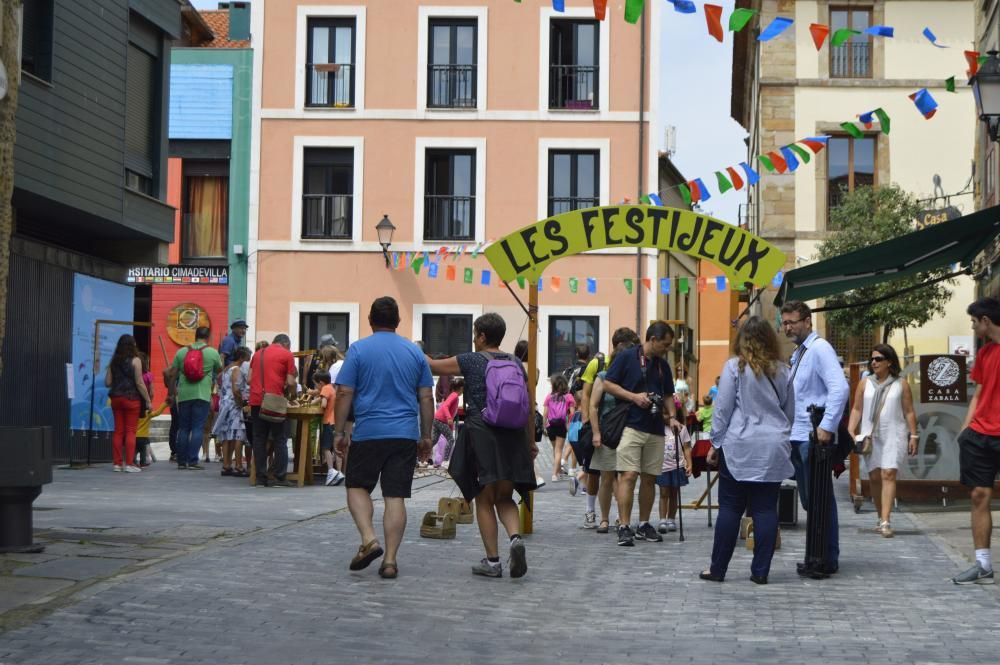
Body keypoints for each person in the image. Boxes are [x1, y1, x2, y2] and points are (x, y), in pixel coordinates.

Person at [428, 313, 539, 578]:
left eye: (475, 333)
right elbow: (527, 405)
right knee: (505, 496)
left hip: (482, 433)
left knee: (484, 498)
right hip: (512, 435)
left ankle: (492, 562)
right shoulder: (514, 362)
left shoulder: (470, 360)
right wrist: (530, 441)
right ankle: (514, 538)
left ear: (481, 336)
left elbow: (433, 366)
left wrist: (410, 349)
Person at [333, 297, 434, 579]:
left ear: (370, 320)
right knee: (395, 495)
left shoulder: (358, 350)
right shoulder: (414, 353)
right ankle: (389, 560)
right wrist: (426, 435)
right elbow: (426, 396)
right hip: (404, 434)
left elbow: (344, 392)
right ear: (398, 321)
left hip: (368, 432)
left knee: (356, 486)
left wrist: (339, 431)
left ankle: (369, 539)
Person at [700, 316, 795, 584]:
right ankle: (761, 571)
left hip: (739, 445)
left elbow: (723, 409)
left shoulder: (733, 369)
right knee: (765, 509)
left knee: (730, 508)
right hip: (772, 446)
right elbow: (789, 412)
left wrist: (715, 443)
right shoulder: (784, 371)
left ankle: (718, 569)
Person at [780, 300, 849, 577]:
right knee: (811, 500)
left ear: (808, 321)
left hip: (813, 435)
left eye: (792, 322)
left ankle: (825, 557)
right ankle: (816, 552)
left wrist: (828, 426)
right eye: (784, 323)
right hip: (798, 435)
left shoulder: (820, 349)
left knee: (820, 500)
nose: (787, 327)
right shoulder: (800, 353)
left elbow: (840, 388)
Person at [603, 321, 681, 546]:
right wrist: (634, 397)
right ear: (653, 339)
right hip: (631, 425)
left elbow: (668, 395)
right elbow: (608, 384)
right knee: (628, 476)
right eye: (664, 344)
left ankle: (644, 524)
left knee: (649, 479)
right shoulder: (627, 357)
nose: (666, 349)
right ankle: (625, 525)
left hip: (655, 428)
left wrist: (673, 416)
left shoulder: (662, 366)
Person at [847, 343, 918, 538]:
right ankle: (880, 516)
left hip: (894, 433)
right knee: (875, 477)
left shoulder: (900, 384)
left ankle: (886, 521)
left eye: (878, 359)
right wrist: (851, 428)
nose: (873, 362)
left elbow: (909, 411)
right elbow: (857, 408)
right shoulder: (865, 383)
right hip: (871, 435)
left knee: (888, 473)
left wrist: (913, 435)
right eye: (872, 359)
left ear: (889, 362)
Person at [953, 297, 1000, 585]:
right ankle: (983, 564)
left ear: (986, 321)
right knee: (979, 495)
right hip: (980, 435)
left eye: (974, 321)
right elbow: (980, 394)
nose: (972, 326)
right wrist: (965, 429)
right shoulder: (985, 354)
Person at [578, 327, 639, 530]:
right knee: (606, 477)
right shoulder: (603, 376)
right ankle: (604, 518)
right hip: (607, 432)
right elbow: (592, 403)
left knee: (625, 478)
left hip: (628, 431)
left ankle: (623, 519)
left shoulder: (633, 378)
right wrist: (594, 431)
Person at [168, 327, 223, 471]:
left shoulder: (181, 352)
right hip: (202, 394)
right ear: (208, 337)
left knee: (184, 428)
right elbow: (219, 370)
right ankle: (193, 461)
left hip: (184, 394)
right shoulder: (212, 352)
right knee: (198, 428)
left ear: (195, 336)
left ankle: (181, 461)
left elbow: (172, 374)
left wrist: (171, 393)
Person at [248, 334, 298, 487]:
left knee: (259, 438)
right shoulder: (287, 354)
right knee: (279, 438)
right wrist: (292, 394)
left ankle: (260, 477)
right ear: (286, 344)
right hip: (275, 400)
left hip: (257, 400)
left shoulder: (257, 354)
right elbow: (290, 381)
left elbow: (249, 380)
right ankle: (280, 477)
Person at [105, 335, 153, 473]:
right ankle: (130, 463)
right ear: (133, 345)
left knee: (118, 431)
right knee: (131, 431)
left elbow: (108, 382)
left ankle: (117, 464)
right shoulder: (136, 360)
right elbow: (139, 382)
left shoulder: (113, 361)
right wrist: (148, 400)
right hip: (132, 399)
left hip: (116, 399)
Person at [214, 347, 252, 477]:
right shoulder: (236, 369)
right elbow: (236, 389)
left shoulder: (227, 369)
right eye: (248, 357)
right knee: (238, 435)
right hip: (234, 405)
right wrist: (241, 403)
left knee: (226, 435)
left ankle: (226, 465)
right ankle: (239, 466)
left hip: (224, 404)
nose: (249, 360)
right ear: (242, 357)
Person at [657, 423, 692, 534]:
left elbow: (686, 448)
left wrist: (689, 463)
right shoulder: (658, 427)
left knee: (674, 493)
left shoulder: (682, 428)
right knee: (663, 493)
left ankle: (671, 519)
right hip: (662, 466)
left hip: (678, 466)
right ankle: (662, 519)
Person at [313, 370, 346, 487]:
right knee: (336, 448)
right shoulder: (331, 388)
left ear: (320, 382)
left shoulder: (325, 388)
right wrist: (314, 400)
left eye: (316, 384)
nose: (316, 387)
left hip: (328, 421)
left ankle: (331, 471)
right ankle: (339, 471)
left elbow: (323, 403)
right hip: (336, 421)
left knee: (326, 447)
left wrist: (316, 404)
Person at [544, 374, 576, 482]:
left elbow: (545, 413)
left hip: (550, 425)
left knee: (555, 449)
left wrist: (544, 424)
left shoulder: (549, 396)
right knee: (559, 450)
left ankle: (557, 470)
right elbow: (572, 413)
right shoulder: (568, 397)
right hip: (561, 425)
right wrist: (569, 424)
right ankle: (554, 474)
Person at [432, 377, 465, 464]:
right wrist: (449, 418)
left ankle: (420, 456)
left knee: (434, 440)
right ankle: (446, 461)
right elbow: (445, 406)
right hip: (441, 420)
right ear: (461, 388)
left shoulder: (453, 395)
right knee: (451, 439)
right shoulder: (454, 395)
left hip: (437, 419)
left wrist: (450, 424)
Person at [135, 401, 169, 467]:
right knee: (143, 451)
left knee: (134, 451)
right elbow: (157, 412)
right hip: (143, 437)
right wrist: (165, 404)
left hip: (135, 436)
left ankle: (133, 461)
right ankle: (143, 462)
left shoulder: (135, 414)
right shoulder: (148, 414)